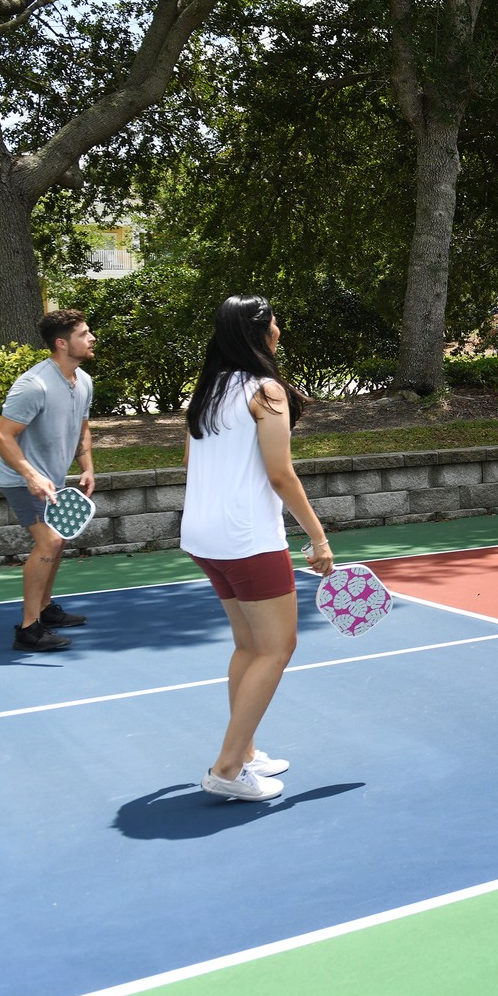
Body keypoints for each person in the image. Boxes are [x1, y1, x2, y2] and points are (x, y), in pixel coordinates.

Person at [181, 296, 335, 803]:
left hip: (205, 538)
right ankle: (227, 768)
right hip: (247, 541)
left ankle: (244, 752)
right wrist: (317, 535)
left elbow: (192, 463)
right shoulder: (266, 391)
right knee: (276, 648)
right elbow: (280, 473)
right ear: (260, 331)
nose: (279, 323)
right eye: (273, 317)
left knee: (249, 646)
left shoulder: (207, 391)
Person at [0, 309, 98, 652]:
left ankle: (45, 608)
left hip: (51, 476)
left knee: (59, 539)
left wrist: (87, 466)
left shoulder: (82, 381)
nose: (91, 338)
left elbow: (82, 429)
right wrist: (30, 474)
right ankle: (28, 629)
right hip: (19, 477)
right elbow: (1, 436)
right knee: (49, 543)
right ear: (61, 343)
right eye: (84, 334)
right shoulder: (33, 385)